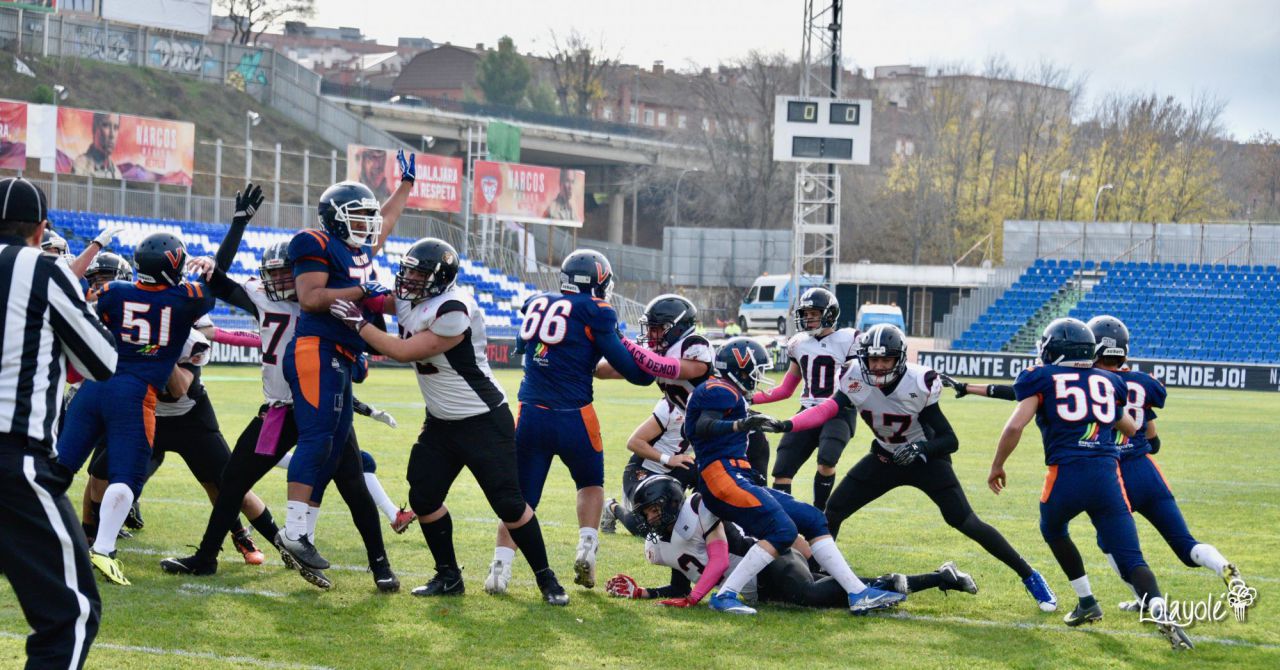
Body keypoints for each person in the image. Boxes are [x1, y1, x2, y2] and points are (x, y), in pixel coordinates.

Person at [162, 184, 400, 592]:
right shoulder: (263, 297)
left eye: (283, 273)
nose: (276, 280)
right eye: (272, 273)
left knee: (353, 485)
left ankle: (380, 565)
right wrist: (238, 224)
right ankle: (206, 556)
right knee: (233, 478)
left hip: (319, 403)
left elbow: (355, 350)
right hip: (278, 407)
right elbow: (218, 281)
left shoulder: (322, 302)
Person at [332, 237, 570, 605]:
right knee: (423, 497)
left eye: (418, 272)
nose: (409, 278)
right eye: (408, 270)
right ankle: (448, 577)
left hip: (482, 420)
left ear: (440, 277)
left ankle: (547, 579)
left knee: (508, 503)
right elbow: (377, 296)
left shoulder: (454, 308)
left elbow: (401, 350)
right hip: (441, 422)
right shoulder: (413, 299)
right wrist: (353, 290)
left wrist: (357, 323)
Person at [760, 324, 1057, 612]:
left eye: (885, 359)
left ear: (900, 359)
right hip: (884, 458)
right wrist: (788, 424)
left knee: (965, 520)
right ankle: (818, 572)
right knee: (832, 512)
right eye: (872, 359)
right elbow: (826, 409)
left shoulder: (919, 382)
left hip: (925, 462)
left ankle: (1030, 575)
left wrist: (919, 449)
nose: (877, 366)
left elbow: (949, 439)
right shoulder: (853, 377)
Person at [988, 318, 1192, 649]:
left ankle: (1086, 601)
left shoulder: (1041, 378)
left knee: (1053, 529)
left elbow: (1015, 427)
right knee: (1132, 558)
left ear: (1051, 350)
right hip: (1107, 479)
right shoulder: (1108, 381)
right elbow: (1128, 427)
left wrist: (997, 465)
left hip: (1065, 476)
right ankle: (1157, 606)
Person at [682, 337, 905, 615]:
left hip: (735, 475)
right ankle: (726, 594)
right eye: (756, 370)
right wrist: (741, 423)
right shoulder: (719, 389)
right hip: (720, 477)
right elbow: (702, 426)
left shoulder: (725, 390)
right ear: (742, 367)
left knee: (812, 518)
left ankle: (857, 592)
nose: (758, 377)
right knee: (783, 530)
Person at [488, 249, 655, 595]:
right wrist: (652, 363)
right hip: (574, 416)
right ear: (599, 283)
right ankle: (586, 549)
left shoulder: (537, 302)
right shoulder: (596, 311)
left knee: (521, 500)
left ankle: (499, 570)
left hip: (531, 413)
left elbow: (527, 345)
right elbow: (634, 373)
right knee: (591, 483)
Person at [275, 153, 412, 574]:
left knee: (332, 448)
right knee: (317, 440)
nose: (368, 222)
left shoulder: (359, 247)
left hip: (341, 355)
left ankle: (304, 537)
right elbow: (311, 297)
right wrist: (361, 293)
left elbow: (386, 221)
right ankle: (293, 532)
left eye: (367, 215)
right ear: (334, 218)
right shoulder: (312, 242)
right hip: (315, 350)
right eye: (358, 215)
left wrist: (405, 185)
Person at [0, 176, 116, 670]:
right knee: (71, 615)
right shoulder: (44, 270)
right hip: (12, 459)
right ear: (40, 229)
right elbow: (101, 362)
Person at [55, 230, 216, 586]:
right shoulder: (185, 298)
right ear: (174, 265)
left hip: (94, 386)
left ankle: (21, 534)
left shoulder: (113, 292)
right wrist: (219, 254)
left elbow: (88, 315)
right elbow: (211, 291)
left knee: (60, 466)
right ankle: (104, 549)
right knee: (127, 477)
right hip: (134, 394)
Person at [605, 475, 977, 608]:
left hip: (770, 561)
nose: (648, 519)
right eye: (645, 513)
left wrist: (694, 599)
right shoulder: (657, 545)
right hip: (755, 589)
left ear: (670, 504)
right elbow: (678, 580)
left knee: (814, 596)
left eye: (652, 511)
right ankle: (939, 577)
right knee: (836, 599)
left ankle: (901, 583)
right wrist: (645, 594)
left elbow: (717, 562)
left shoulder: (700, 509)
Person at [1085, 316, 1246, 610]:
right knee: (1186, 545)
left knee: (1113, 547)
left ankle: (1145, 600)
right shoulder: (1145, 383)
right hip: (1146, 471)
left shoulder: (1090, 383)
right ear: (1124, 351)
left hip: (1110, 476)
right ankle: (1228, 571)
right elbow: (1151, 434)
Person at [597, 294, 711, 535]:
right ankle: (613, 507)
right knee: (648, 529)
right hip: (649, 468)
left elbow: (666, 367)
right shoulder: (658, 360)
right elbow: (606, 370)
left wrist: (625, 343)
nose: (650, 335)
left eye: (657, 329)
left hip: (710, 429)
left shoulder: (694, 347)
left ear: (676, 328)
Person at [752, 287, 858, 509]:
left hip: (838, 412)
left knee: (827, 460)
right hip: (807, 412)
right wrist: (751, 398)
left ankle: (820, 514)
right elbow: (785, 389)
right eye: (806, 313)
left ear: (829, 313)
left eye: (814, 313)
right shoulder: (798, 343)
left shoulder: (849, 339)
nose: (808, 318)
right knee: (781, 470)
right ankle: (786, 520)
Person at [600, 397, 697, 537]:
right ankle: (612, 507)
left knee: (709, 475)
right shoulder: (670, 407)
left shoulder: (712, 409)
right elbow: (633, 442)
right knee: (645, 528)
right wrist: (667, 459)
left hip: (675, 471)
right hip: (644, 471)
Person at [72, 112, 123, 179]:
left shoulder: (117, 174)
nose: (112, 135)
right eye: (106, 125)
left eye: (116, 127)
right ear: (94, 128)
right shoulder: (80, 166)